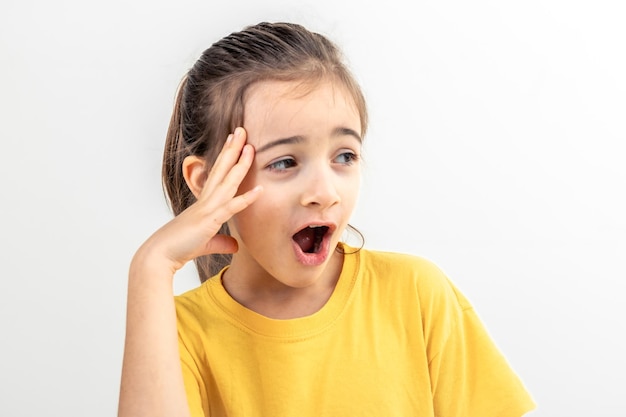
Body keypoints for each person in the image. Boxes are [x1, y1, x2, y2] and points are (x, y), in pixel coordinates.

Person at [118, 21, 536, 417]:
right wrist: (150, 267)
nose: (325, 193)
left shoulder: (416, 295)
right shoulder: (179, 334)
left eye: (344, 156)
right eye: (284, 162)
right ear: (209, 181)